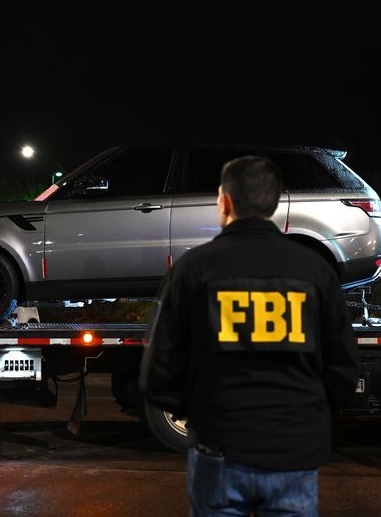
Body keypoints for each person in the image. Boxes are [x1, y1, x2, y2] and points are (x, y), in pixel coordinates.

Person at [140, 156, 358, 516]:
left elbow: (156, 372)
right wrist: (307, 415)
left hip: (220, 449)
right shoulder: (316, 271)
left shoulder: (193, 270)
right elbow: (344, 371)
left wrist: (200, 412)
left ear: (224, 202)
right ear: (273, 204)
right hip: (295, 452)